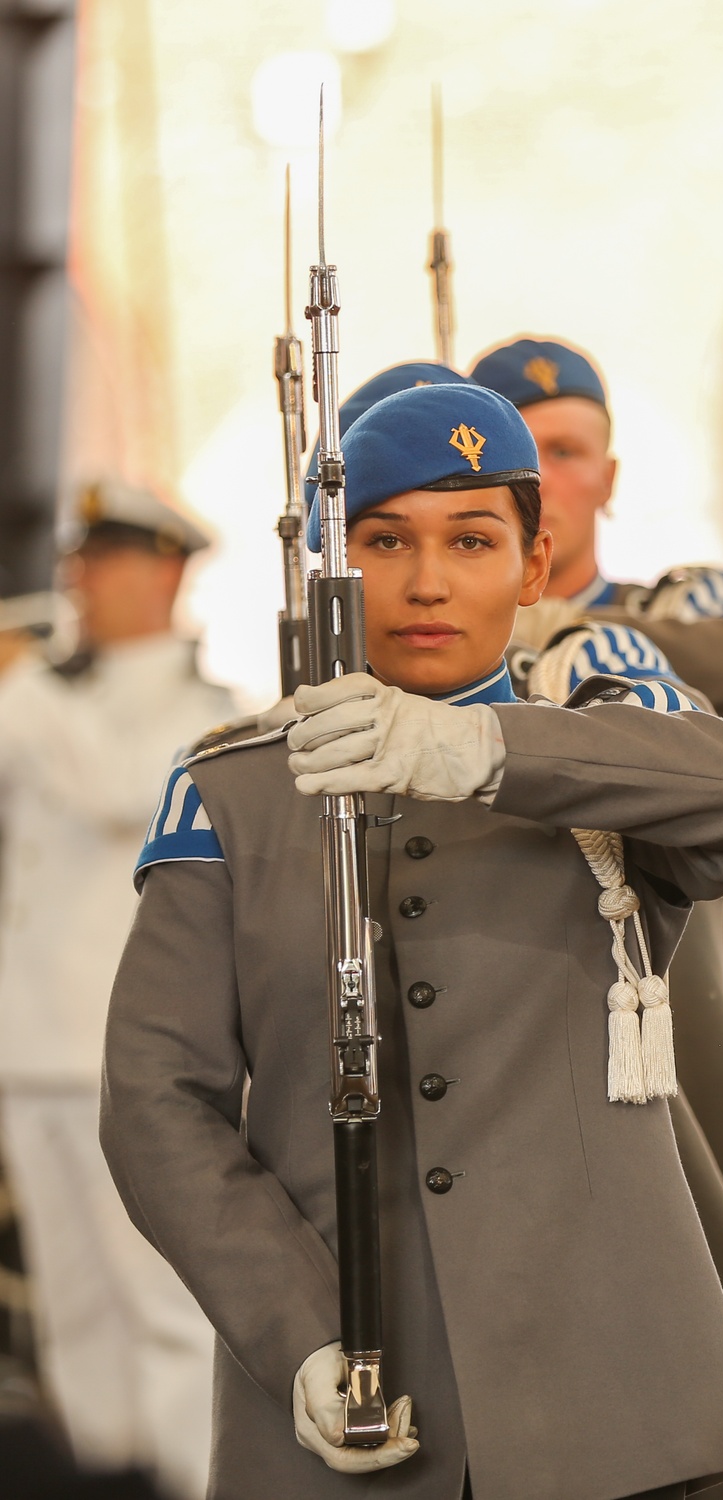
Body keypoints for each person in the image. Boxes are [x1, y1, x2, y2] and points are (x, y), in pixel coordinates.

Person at [101, 383, 723, 1500]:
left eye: (473, 540)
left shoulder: (591, 762)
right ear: (326, 573)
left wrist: (482, 752)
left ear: (533, 571)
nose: (427, 582)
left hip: (612, 1390)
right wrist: (292, 1329)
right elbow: (157, 1096)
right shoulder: (233, 792)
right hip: (360, 1383)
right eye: (384, 541)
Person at [471, 336, 723, 1281]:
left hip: (666, 1061)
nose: (550, 476)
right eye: (524, 452)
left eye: (572, 451)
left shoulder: (679, 609)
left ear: (610, 475)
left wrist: (593, 634)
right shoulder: (430, 656)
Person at [0, 480, 234, 1498]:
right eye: (78, 561)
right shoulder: (49, 695)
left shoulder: (204, 712)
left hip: (126, 1058)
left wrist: (29, 686)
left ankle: (187, 1482)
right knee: (75, 1311)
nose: (77, 582)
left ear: (164, 571)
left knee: (164, 1306)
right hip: (30, 1047)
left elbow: (115, 792)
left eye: (100, 560)